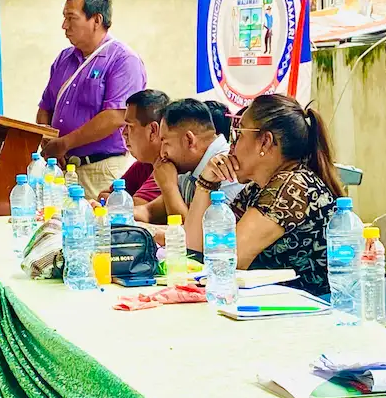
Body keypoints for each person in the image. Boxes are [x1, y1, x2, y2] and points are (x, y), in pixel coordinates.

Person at [184, 94, 342, 297]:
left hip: (306, 310)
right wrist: (207, 182)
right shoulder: (257, 189)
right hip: (275, 306)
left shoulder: (292, 188)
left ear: (265, 142)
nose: (231, 147)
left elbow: (227, 263)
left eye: (239, 135)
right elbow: (194, 251)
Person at [38, 0, 146, 197]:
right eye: (64, 18)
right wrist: (48, 142)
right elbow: (45, 107)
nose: (64, 25)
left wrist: (64, 143)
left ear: (96, 20)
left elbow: (115, 116)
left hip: (101, 171)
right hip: (61, 170)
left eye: (71, 18)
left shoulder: (124, 60)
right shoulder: (63, 59)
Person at [135, 99, 243, 224]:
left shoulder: (227, 169)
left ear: (189, 140)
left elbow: (197, 233)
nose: (162, 153)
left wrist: (169, 187)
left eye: (166, 142)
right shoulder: (188, 168)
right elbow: (148, 212)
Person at [96, 89, 169, 205]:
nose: (124, 133)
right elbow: (104, 195)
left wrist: (116, 201)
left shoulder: (167, 165)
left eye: (130, 126)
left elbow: (137, 207)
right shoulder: (144, 164)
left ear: (152, 131)